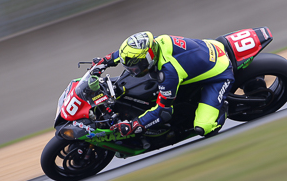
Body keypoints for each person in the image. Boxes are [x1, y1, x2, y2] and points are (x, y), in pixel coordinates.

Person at [93, 31, 233, 140]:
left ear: (148, 58)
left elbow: (163, 112)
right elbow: (129, 52)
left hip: (220, 72)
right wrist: (105, 61)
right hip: (209, 48)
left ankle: (223, 107)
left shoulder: (168, 72)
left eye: (135, 66)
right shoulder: (155, 42)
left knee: (203, 127)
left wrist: (134, 125)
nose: (132, 70)